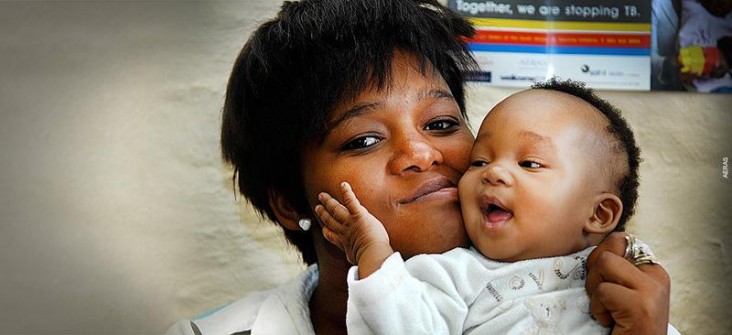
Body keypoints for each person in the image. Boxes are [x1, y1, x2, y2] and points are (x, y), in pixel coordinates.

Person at [167, 0, 672, 334]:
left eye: (442, 124)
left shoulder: (609, 304)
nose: (423, 154)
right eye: (364, 139)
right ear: (289, 201)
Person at [316, 78, 665, 334]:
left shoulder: (626, 279)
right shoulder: (455, 274)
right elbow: (402, 323)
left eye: (529, 164)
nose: (494, 172)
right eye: (480, 161)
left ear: (599, 214)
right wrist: (373, 253)